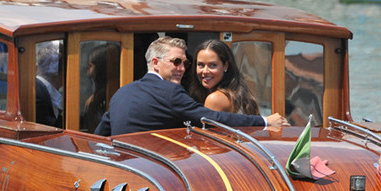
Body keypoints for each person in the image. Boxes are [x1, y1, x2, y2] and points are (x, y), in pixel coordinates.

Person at [94, 37, 288, 136]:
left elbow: (100, 135)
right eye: (176, 62)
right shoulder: (170, 92)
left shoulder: (121, 93)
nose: (182, 68)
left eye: (185, 63)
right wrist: (264, 122)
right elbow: (212, 119)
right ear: (155, 63)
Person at [188, 39, 260, 114]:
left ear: (225, 65)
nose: (205, 71)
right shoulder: (238, 93)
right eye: (201, 65)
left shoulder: (215, 99)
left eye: (213, 65)